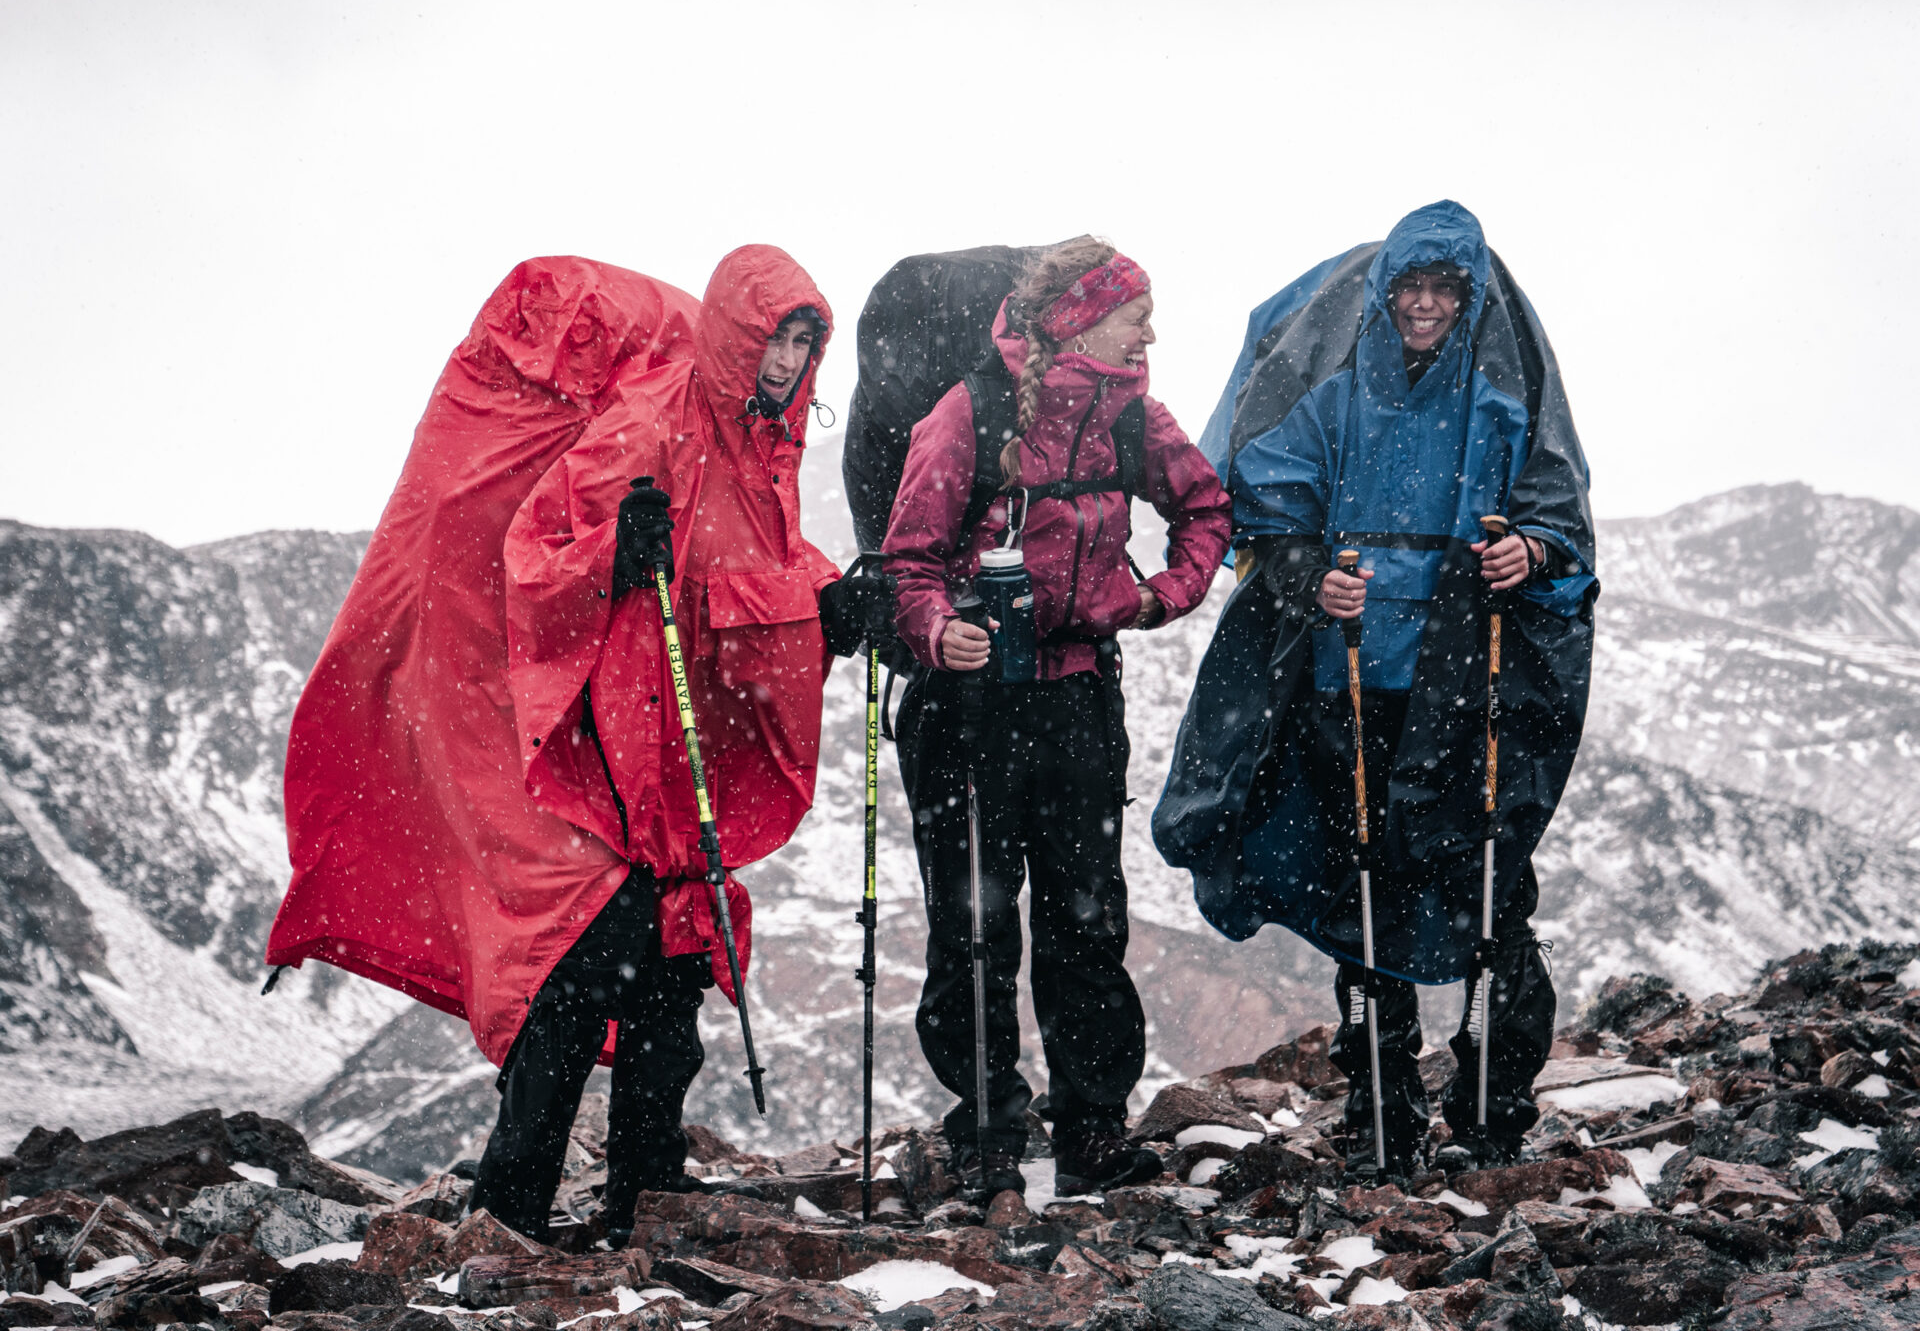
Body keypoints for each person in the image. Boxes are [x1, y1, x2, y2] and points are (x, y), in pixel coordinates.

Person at [269, 247, 883, 1245]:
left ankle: (642, 1200)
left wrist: (833, 606)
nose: (787, 360)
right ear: (735, 337)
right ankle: (509, 1215)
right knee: (579, 974)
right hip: (601, 750)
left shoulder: (767, 454)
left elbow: (749, 576)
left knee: (671, 975)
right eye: (777, 337)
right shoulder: (648, 424)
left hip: (662, 761)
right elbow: (540, 560)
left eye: (806, 342)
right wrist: (618, 553)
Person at [1154, 201, 1597, 1179]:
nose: (1427, 305)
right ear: (1387, 290)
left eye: (1445, 289)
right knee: (1357, 881)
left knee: (1489, 887)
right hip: (1347, 673)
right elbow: (1267, 505)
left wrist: (1530, 550)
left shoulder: (1502, 388)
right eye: (1413, 287)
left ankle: (1493, 1111)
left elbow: (1558, 520)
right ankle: (1383, 1106)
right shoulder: (1337, 386)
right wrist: (1312, 574)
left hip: (1459, 677)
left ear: (1468, 295)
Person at [883, 237, 1232, 1198]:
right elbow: (907, 559)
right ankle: (988, 1132)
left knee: (1087, 918)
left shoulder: (1131, 415)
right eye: (1135, 313)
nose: (1149, 330)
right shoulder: (970, 412)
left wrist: (1166, 594)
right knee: (975, 922)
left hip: (1079, 692)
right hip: (968, 709)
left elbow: (1206, 507)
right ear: (1079, 317)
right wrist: (940, 628)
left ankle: (1091, 1132)